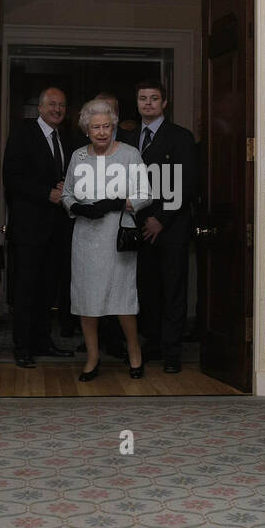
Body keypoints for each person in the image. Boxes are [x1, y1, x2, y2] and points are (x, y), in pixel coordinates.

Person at [62, 98, 151, 380]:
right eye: (95, 127)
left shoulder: (129, 154)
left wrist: (118, 203)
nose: (101, 132)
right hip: (86, 238)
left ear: (113, 127)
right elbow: (67, 193)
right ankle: (92, 358)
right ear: (86, 129)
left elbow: (145, 194)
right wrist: (76, 207)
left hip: (117, 237)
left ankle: (134, 353)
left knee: (122, 299)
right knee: (87, 301)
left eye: (106, 127)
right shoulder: (79, 157)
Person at [119, 81, 196, 373]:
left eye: (154, 99)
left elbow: (185, 183)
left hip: (171, 227)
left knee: (173, 290)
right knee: (146, 290)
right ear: (137, 102)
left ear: (165, 103)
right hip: (138, 225)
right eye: (142, 99)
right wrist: (141, 218)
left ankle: (172, 352)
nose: (148, 103)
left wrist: (160, 219)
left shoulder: (180, 137)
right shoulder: (127, 137)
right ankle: (151, 343)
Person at [2, 87, 76, 367]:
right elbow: (12, 177)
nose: (57, 109)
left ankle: (43, 342)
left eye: (62, 105)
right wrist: (47, 192)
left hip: (57, 230)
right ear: (41, 108)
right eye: (52, 104)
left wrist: (64, 187)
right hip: (29, 230)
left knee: (48, 291)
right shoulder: (23, 133)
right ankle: (22, 347)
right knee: (25, 291)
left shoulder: (65, 138)